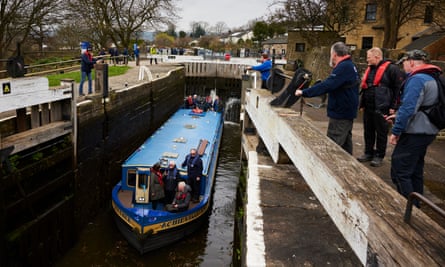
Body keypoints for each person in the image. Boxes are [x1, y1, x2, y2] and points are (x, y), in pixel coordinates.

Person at [385, 50, 441, 207]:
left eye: (403, 63)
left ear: (410, 62)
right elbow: (424, 105)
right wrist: (398, 115)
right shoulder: (432, 77)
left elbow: (409, 108)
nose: (402, 67)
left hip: (415, 132)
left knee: (400, 171)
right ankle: (417, 203)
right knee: (415, 169)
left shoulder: (417, 79)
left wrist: (396, 131)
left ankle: (410, 210)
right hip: (428, 130)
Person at [295, 42, 360, 155]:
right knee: (345, 145)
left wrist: (304, 92)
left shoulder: (344, 67)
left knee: (333, 145)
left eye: (331, 54)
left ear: (334, 54)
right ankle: (347, 169)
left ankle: (332, 171)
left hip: (341, 111)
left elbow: (328, 85)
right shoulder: (350, 65)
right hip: (346, 110)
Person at [357, 47, 405, 167]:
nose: (367, 60)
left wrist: (394, 106)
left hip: (382, 106)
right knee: (368, 131)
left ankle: (379, 155)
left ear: (377, 57)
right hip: (369, 106)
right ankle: (368, 152)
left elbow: (398, 89)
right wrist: (362, 104)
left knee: (381, 132)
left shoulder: (392, 69)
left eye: (369, 57)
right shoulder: (370, 69)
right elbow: (365, 87)